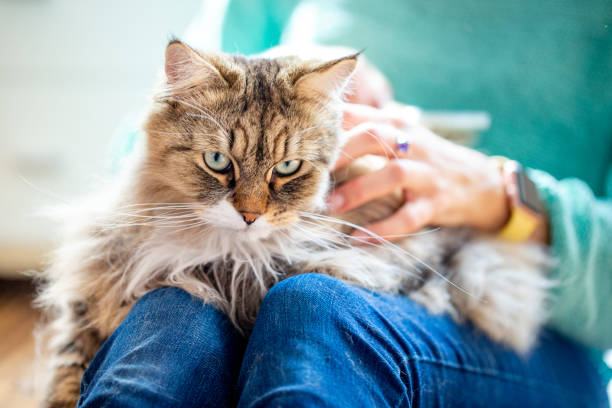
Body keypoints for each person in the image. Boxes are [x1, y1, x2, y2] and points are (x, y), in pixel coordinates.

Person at [78, 0, 612, 406]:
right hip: (242, 252)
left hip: (500, 305)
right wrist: (259, 89)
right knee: (171, 319)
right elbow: (142, 145)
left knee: (313, 312)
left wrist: (506, 197)